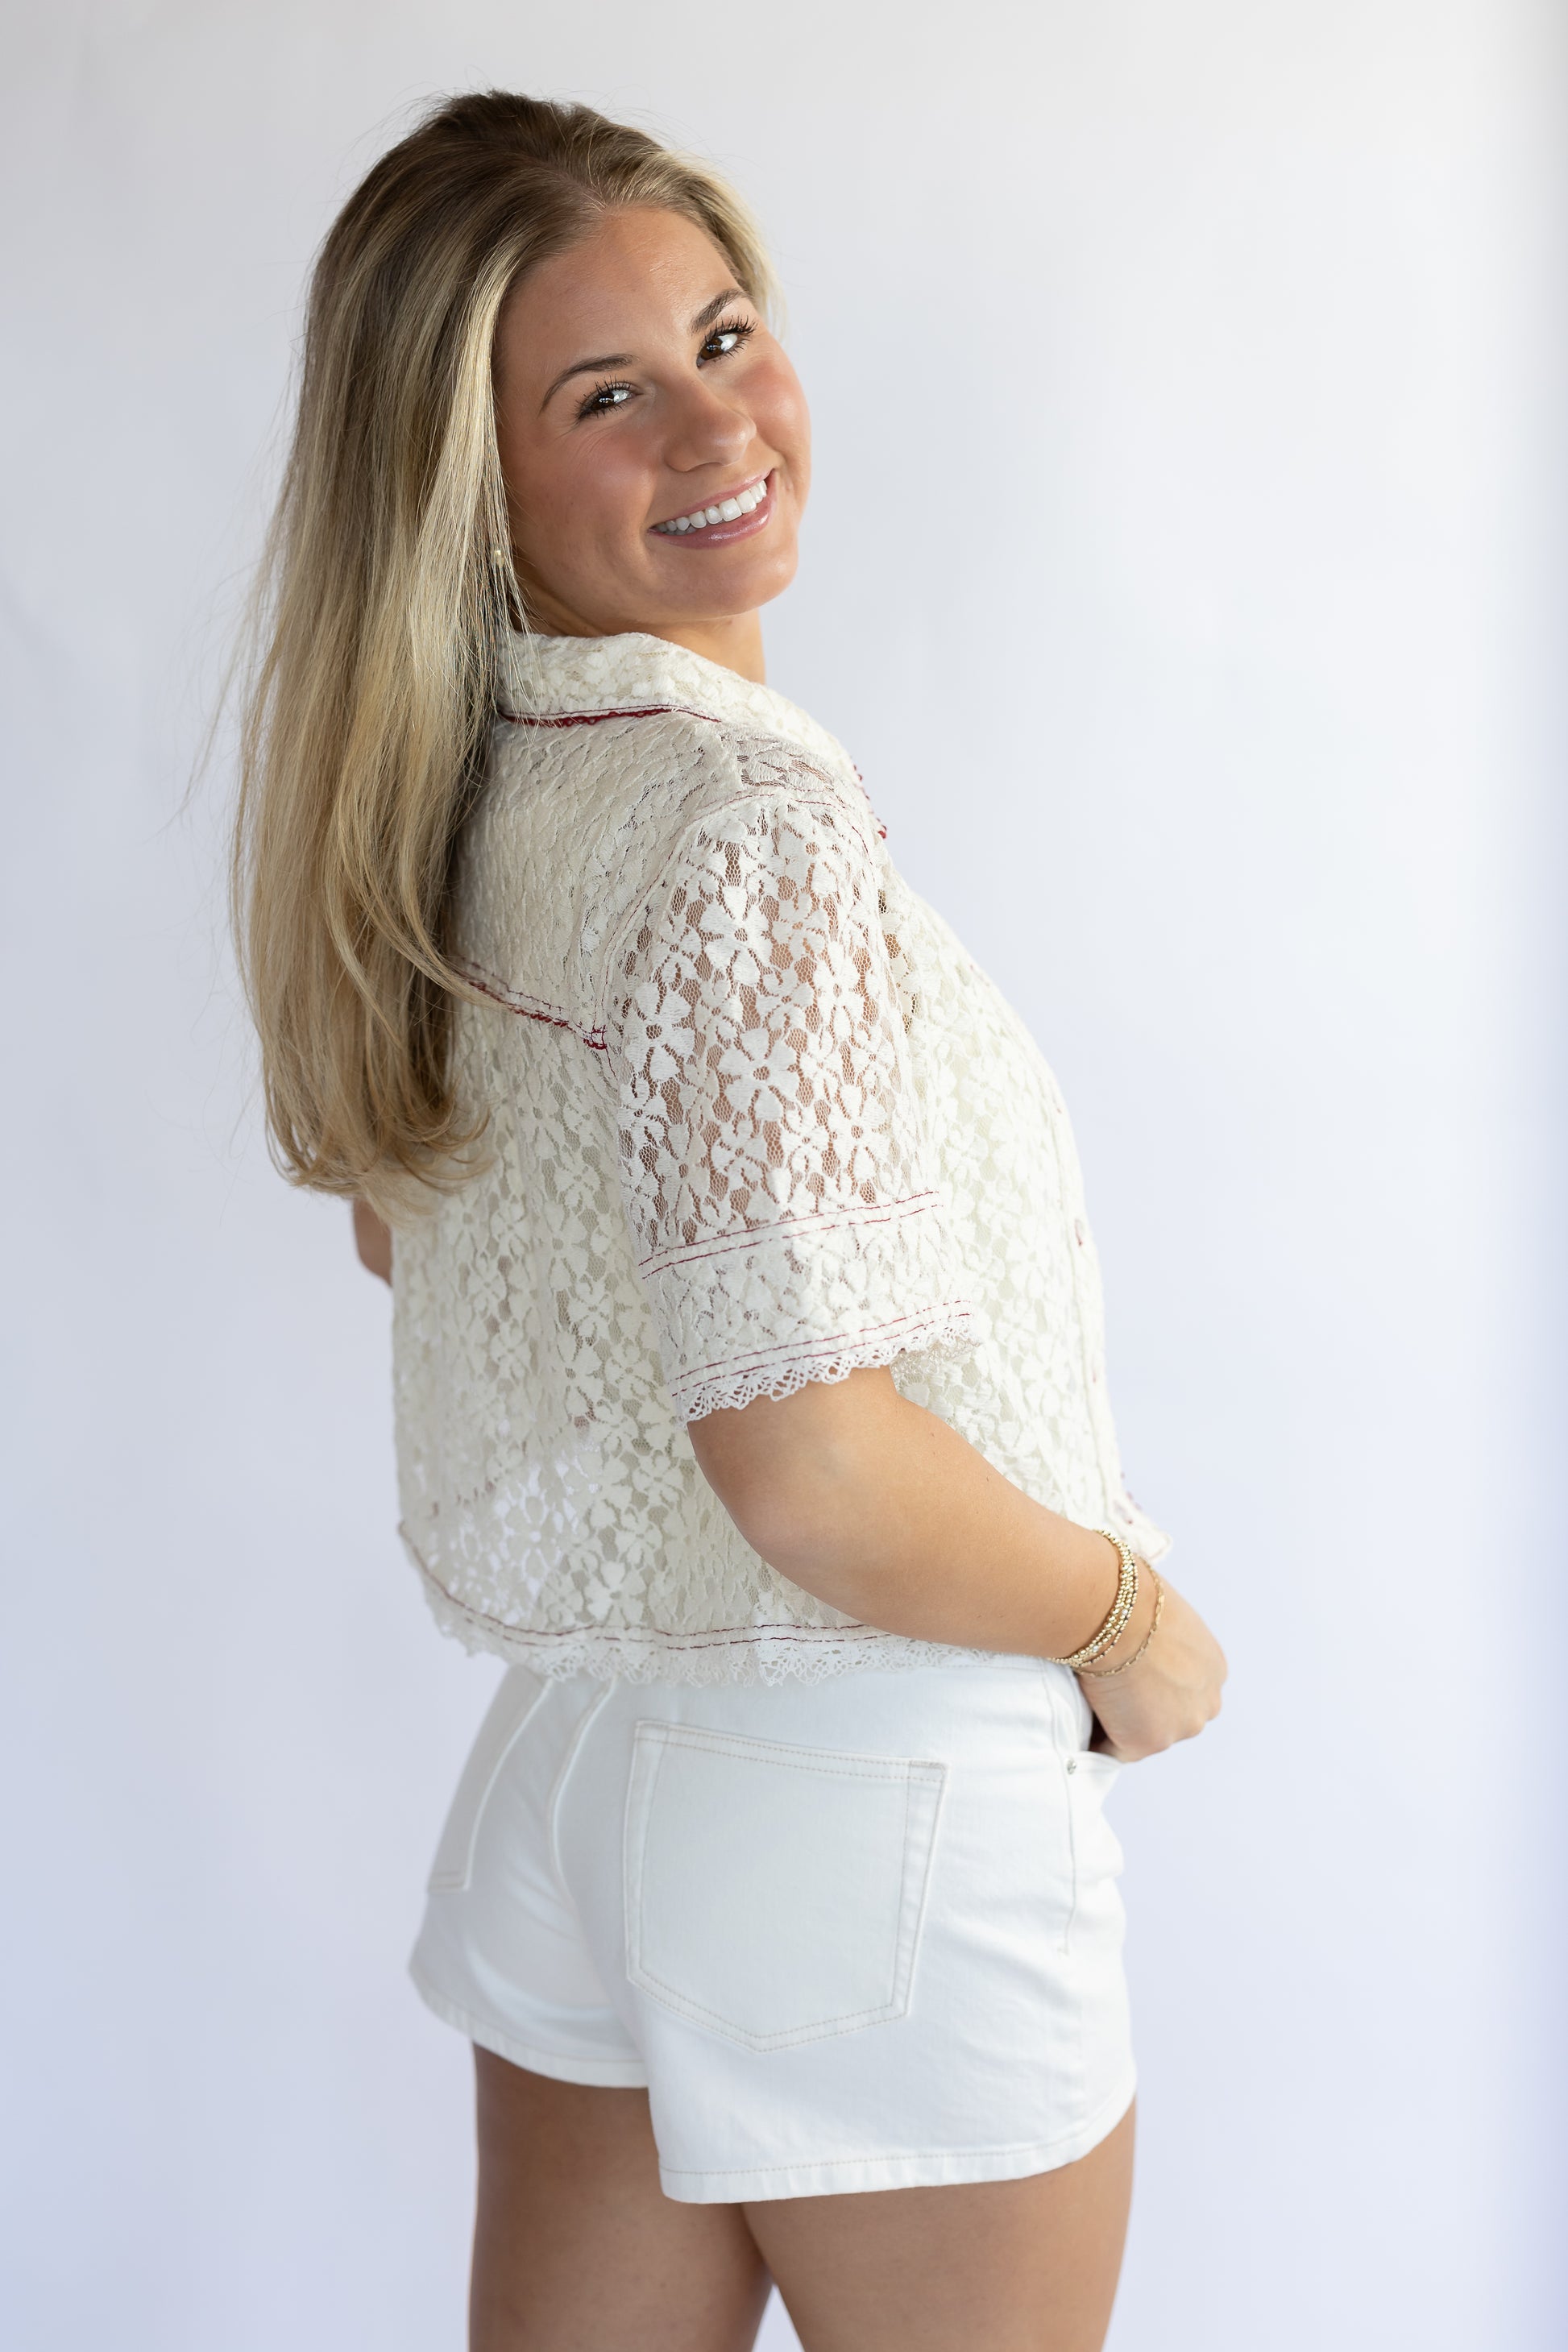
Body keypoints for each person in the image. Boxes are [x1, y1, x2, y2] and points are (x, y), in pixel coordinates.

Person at [234, 89, 1226, 2352]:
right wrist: (1126, 1623)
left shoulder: (461, 791)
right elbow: (812, 1464)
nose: (716, 424)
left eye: (722, 332)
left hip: (580, 1780)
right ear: (467, 480)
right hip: (869, 1808)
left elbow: (427, 1245)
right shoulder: (740, 819)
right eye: (604, 395)